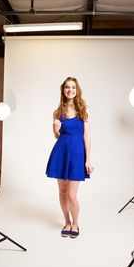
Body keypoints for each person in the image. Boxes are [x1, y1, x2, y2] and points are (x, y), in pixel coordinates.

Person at [46, 77, 93, 238]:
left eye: (73, 87)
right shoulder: (57, 112)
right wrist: (55, 129)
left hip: (77, 155)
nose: (70, 90)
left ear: (76, 90)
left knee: (72, 195)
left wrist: (87, 160)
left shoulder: (83, 111)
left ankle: (75, 223)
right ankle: (66, 221)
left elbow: (86, 137)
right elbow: (57, 136)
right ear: (63, 90)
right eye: (67, 87)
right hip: (61, 153)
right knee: (62, 191)